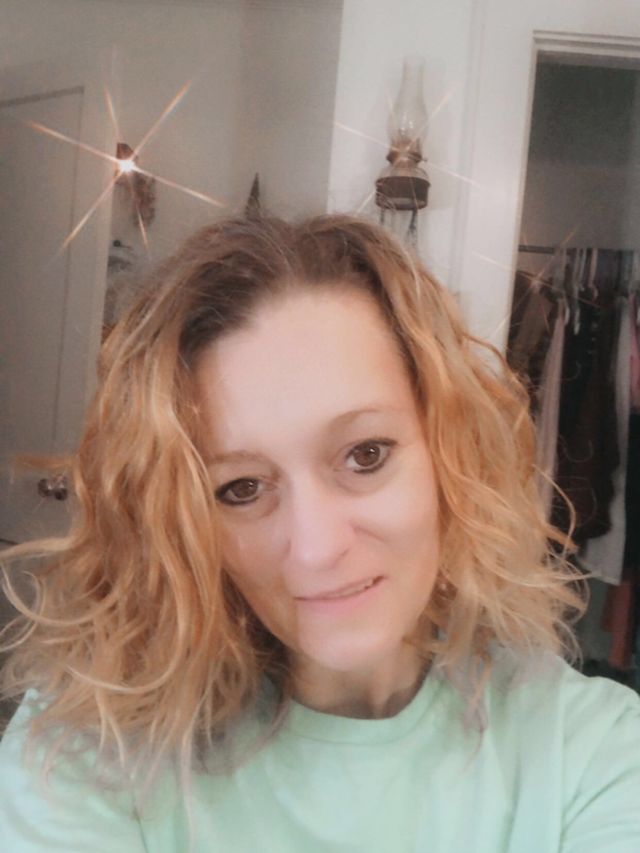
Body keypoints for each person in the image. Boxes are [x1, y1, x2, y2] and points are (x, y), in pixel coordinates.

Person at [0, 214, 639, 852]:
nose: (317, 548)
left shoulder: (591, 753)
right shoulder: (83, 751)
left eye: (365, 454)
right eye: (241, 488)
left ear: (452, 453)